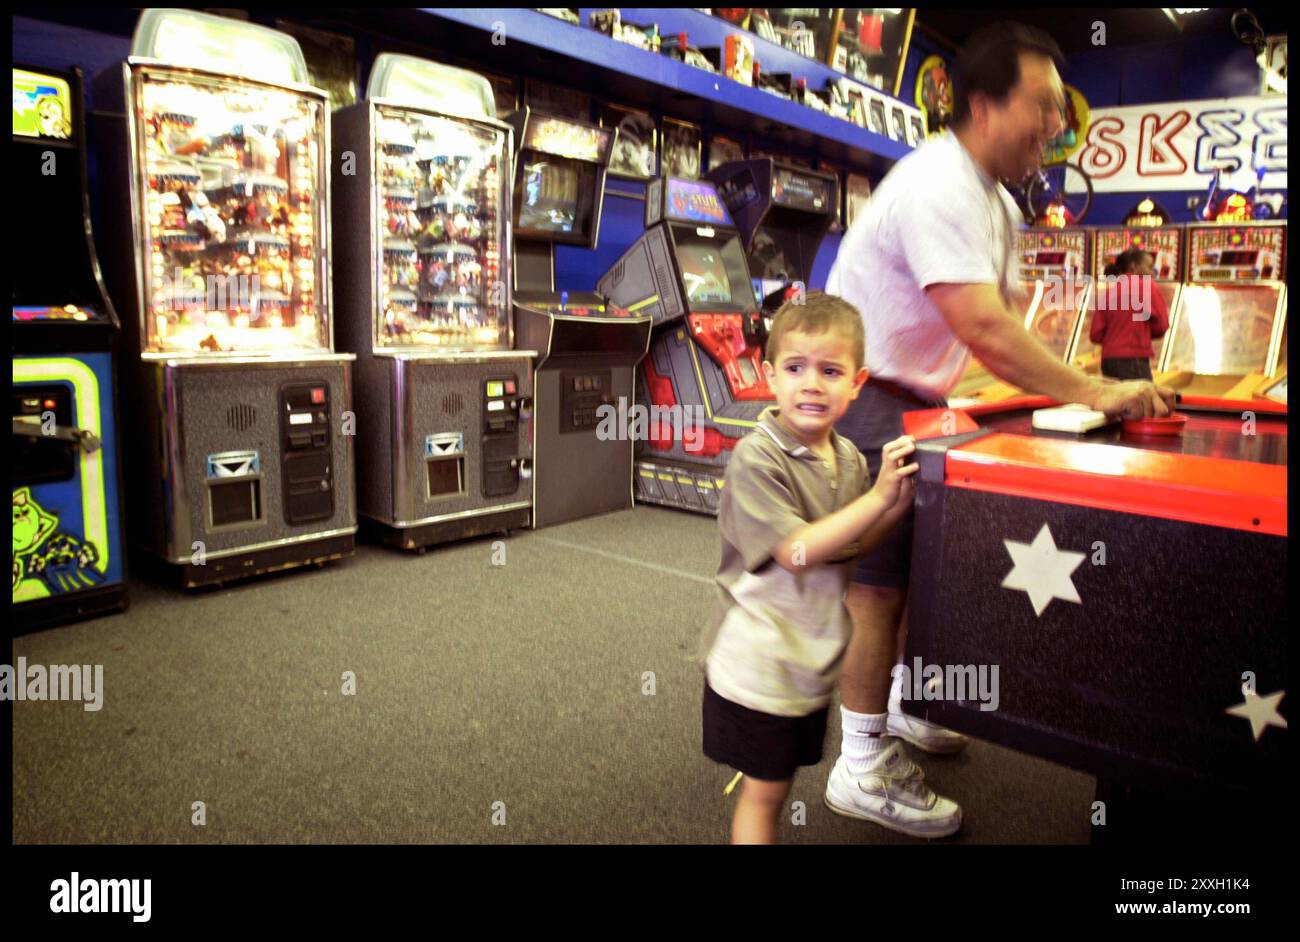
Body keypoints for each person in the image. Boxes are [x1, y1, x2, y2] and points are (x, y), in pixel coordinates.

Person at [823, 21, 1177, 838]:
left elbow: (1011, 325)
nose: (1056, 126)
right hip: (869, 396)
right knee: (878, 591)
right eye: (1045, 107)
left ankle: (902, 710)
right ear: (983, 104)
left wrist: (1047, 397)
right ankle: (860, 763)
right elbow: (984, 327)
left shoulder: (997, 203)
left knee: (913, 580)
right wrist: (1098, 390)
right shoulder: (939, 183)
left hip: (919, 397)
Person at [701, 292, 919, 844]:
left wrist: (895, 501)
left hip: (809, 664)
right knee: (765, 797)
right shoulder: (758, 458)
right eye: (795, 368)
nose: (812, 384)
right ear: (769, 377)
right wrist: (876, 500)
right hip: (760, 667)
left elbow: (852, 544)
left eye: (830, 370)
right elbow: (795, 550)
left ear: (857, 383)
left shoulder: (845, 458)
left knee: (779, 787)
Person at [1090, 248, 1170, 381]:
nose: (1152, 272)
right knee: (1140, 401)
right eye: (1149, 267)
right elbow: (1162, 326)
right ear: (1134, 267)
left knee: (1116, 400)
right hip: (1134, 359)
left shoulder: (1110, 292)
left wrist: (1116, 337)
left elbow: (1096, 334)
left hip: (1108, 361)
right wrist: (1144, 333)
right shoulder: (1146, 285)